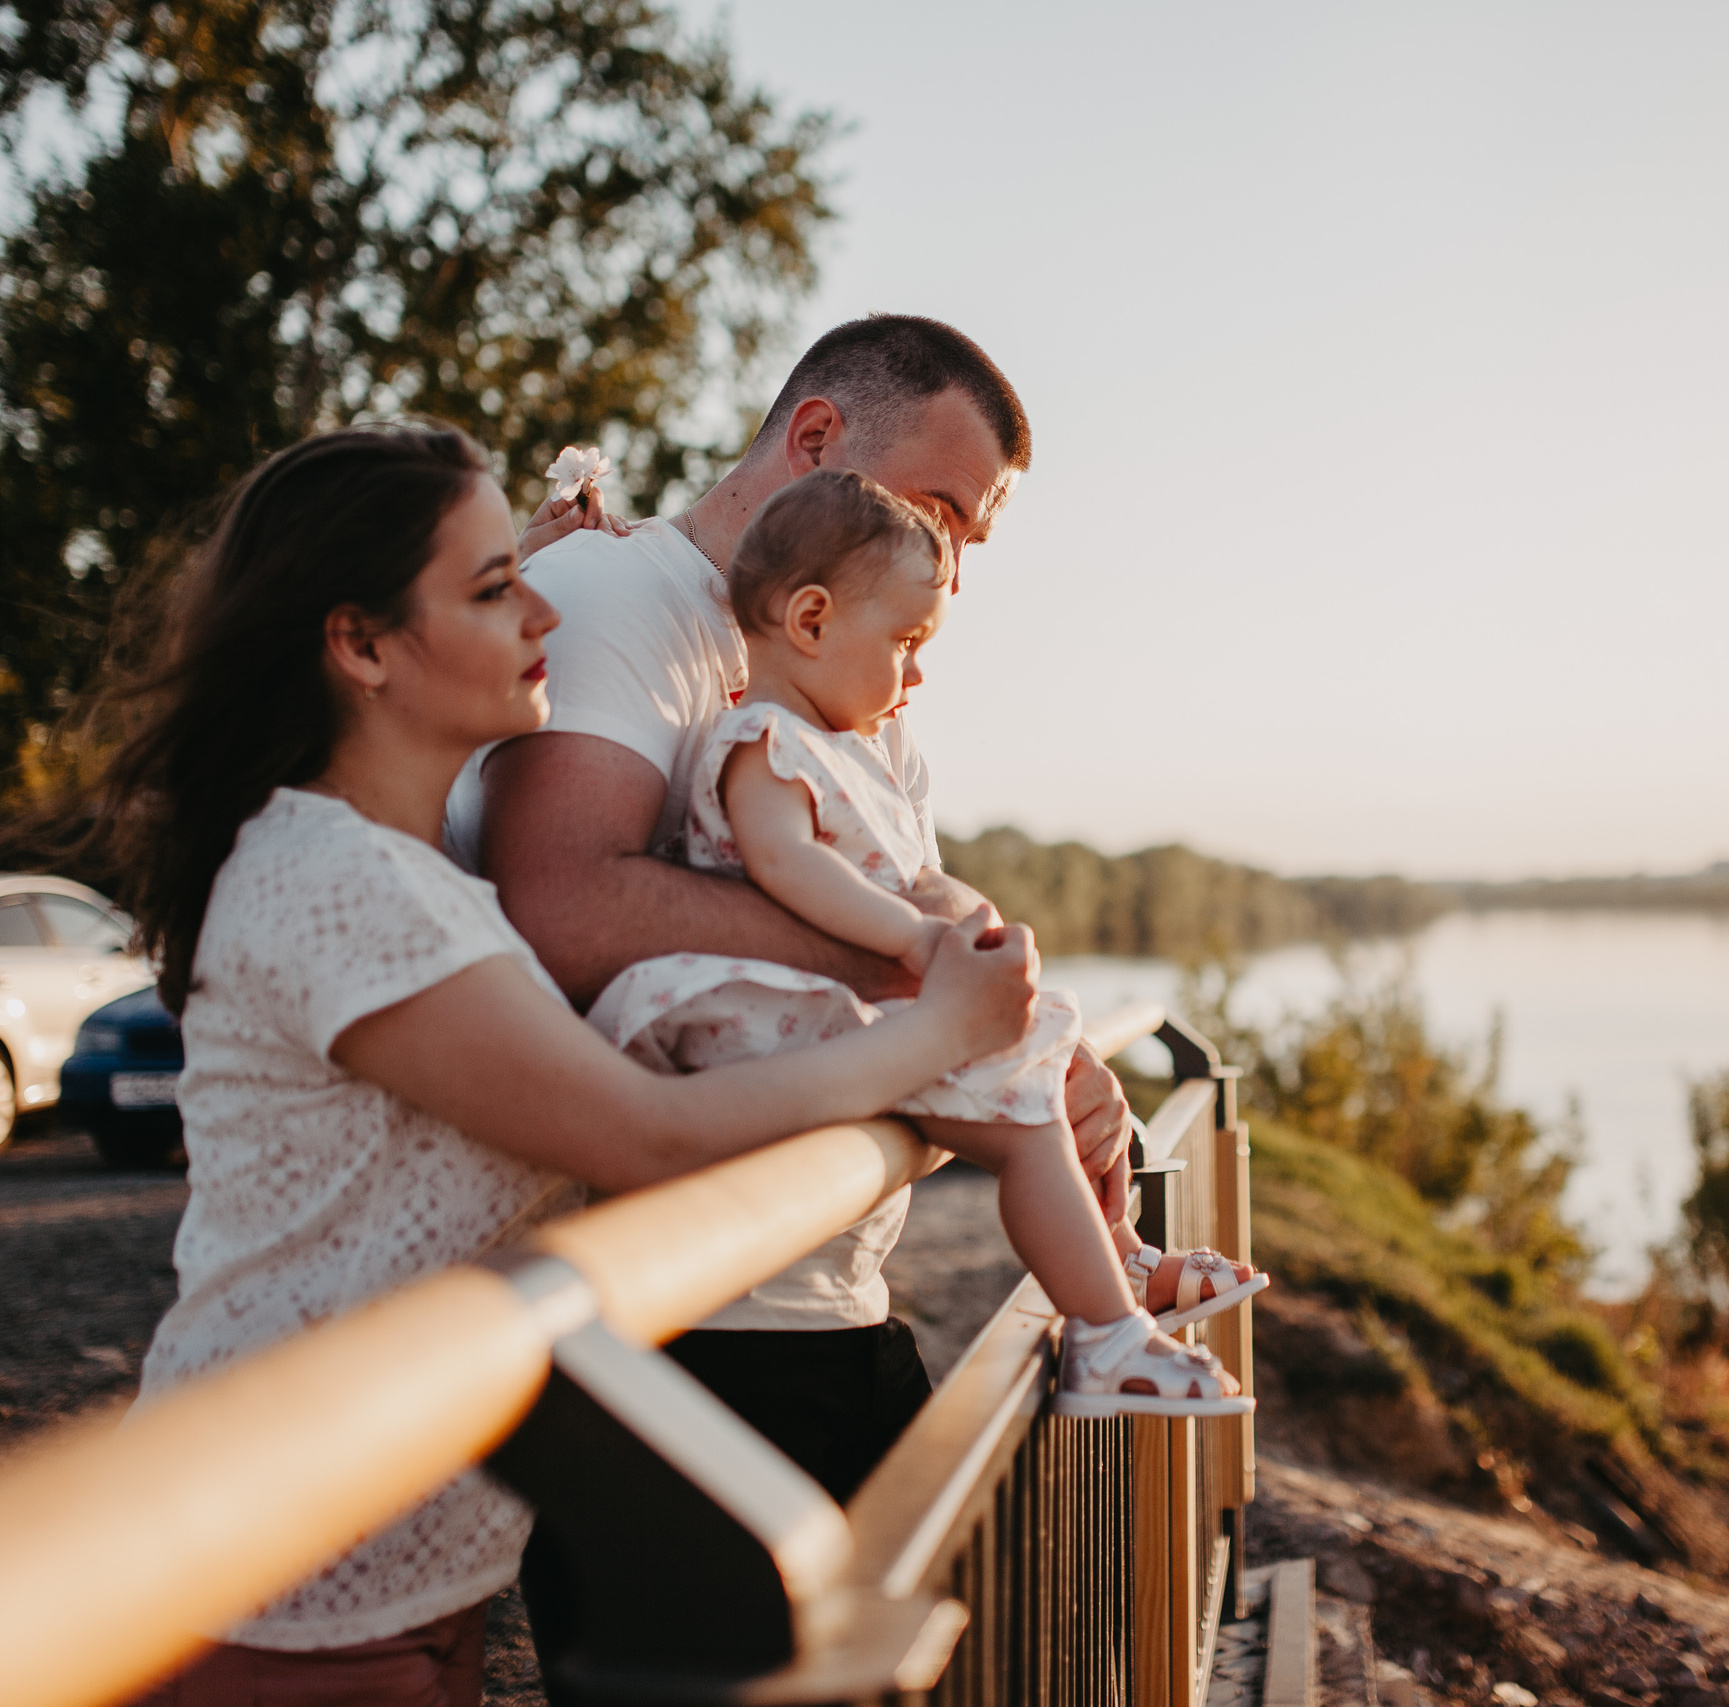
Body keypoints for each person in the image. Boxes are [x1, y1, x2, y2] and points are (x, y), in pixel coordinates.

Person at [29, 422, 1039, 1707]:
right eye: (496, 586)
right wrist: (937, 1031)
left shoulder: (406, 869)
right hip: (281, 1594)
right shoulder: (335, 883)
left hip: (395, 1580)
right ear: (360, 643)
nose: (547, 607)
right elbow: (640, 1134)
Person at [441, 317, 1162, 1506]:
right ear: (817, 441)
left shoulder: (860, 706)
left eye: (966, 540)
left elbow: (909, 919)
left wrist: (1047, 1046)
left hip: (834, 1300)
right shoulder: (608, 598)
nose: (951, 569)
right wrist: (935, 981)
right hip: (674, 1321)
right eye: (937, 510)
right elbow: (561, 903)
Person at [589, 467, 1256, 1416]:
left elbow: (910, 869)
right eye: (906, 641)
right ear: (811, 622)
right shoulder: (760, 741)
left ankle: (1117, 1262)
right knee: (1027, 1127)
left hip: (857, 1009)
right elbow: (789, 866)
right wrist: (919, 942)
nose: (918, 671)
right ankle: (1105, 1333)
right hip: (789, 1021)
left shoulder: (844, 751)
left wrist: (971, 920)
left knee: (1048, 1046)